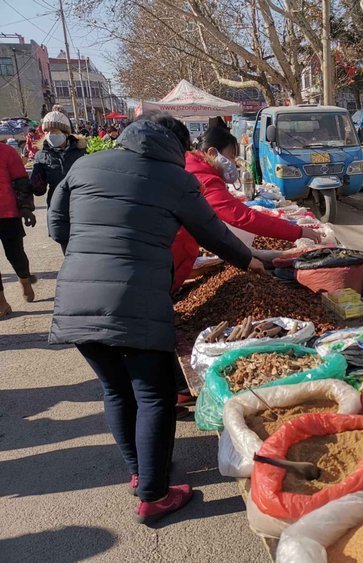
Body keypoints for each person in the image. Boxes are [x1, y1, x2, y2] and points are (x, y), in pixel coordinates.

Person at [47, 113, 264, 524]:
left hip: (75, 295)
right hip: (137, 299)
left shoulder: (84, 165)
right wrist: (248, 261)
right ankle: (154, 495)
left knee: (115, 389)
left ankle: (139, 473)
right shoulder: (174, 177)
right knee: (154, 394)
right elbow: (212, 232)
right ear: (177, 147)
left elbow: (57, 226)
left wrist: (85, 261)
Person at [171, 127, 322, 293]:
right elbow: (243, 217)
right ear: (212, 152)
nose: (233, 162)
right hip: (169, 258)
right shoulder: (203, 178)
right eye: (231, 155)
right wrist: (297, 232)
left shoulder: (191, 166)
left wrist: (244, 258)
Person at [0, 140, 39, 316]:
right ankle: (2, 302)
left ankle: (24, 278)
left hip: (8, 214)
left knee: (16, 255)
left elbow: (21, 182)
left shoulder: (7, 152)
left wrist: (25, 208)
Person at [30, 110, 87, 207]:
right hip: (56, 204)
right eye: (47, 131)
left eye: (54, 130)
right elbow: (39, 191)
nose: (50, 134)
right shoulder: (42, 155)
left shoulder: (82, 151)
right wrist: (35, 182)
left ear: (65, 133)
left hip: (80, 203)